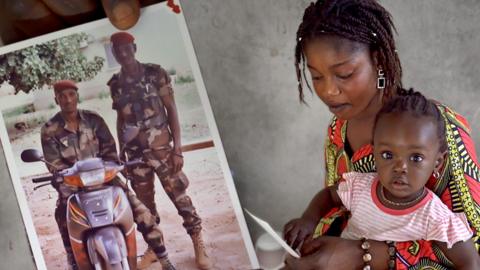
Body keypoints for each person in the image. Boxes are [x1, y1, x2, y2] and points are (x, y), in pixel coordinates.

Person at [282, 0, 480, 269]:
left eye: (344, 73)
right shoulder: (338, 130)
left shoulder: (438, 130)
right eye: (316, 77)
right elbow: (339, 205)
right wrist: (311, 236)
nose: (328, 91)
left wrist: (363, 254)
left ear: (378, 61)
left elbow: (473, 247)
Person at [287, 90, 480, 269]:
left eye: (416, 158)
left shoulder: (435, 217)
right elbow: (329, 195)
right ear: (374, 152)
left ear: (438, 163)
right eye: (388, 155)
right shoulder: (360, 187)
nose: (400, 168)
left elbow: (470, 262)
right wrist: (308, 220)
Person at [40, 80, 176, 270]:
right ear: (56, 100)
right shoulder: (49, 129)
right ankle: (73, 259)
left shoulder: (93, 120)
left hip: (105, 179)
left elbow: (110, 151)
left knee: (140, 210)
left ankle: (163, 257)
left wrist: (111, 168)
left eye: (71, 94)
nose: (68, 100)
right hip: (73, 184)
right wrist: (67, 180)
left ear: (77, 96)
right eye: (62, 96)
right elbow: (55, 165)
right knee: (62, 214)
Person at [107, 32, 212, 269]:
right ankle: (154, 249)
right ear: (114, 53)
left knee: (180, 197)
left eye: (126, 48)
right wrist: (120, 149)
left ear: (134, 47)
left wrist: (178, 148)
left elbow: (171, 109)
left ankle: (198, 244)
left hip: (162, 150)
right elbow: (120, 120)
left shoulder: (155, 73)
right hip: (135, 157)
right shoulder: (115, 84)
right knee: (145, 207)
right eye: (118, 50)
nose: (123, 53)